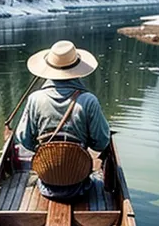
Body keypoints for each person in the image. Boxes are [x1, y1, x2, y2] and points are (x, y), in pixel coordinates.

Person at [15, 39, 111, 200]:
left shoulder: (35, 98)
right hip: (79, 181)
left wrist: (44, 152)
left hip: (46, 181)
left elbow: (23, 138)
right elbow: (101, 143)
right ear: (77, 68)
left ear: (49, 67)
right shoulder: (89, 100)